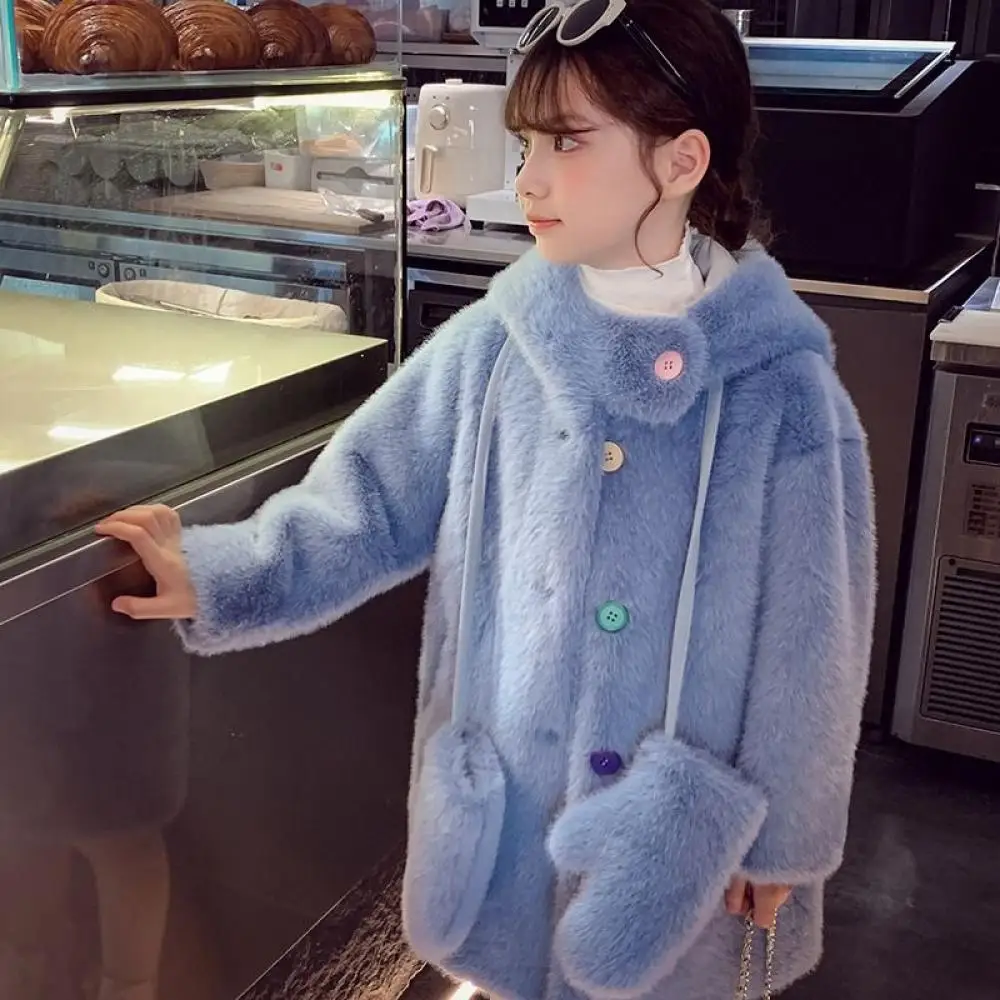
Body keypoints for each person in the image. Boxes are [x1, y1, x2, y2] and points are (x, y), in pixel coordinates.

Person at [95, 1, 877, 997]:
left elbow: (815, 634)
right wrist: (220, 574)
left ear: (682, 160)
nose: (529, 179)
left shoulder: (777, 386)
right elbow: (365, 502)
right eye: (526, 143)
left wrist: (787, 842)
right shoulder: (498, 348)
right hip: (508, 825)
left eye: (567, 141)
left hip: (679, 858)